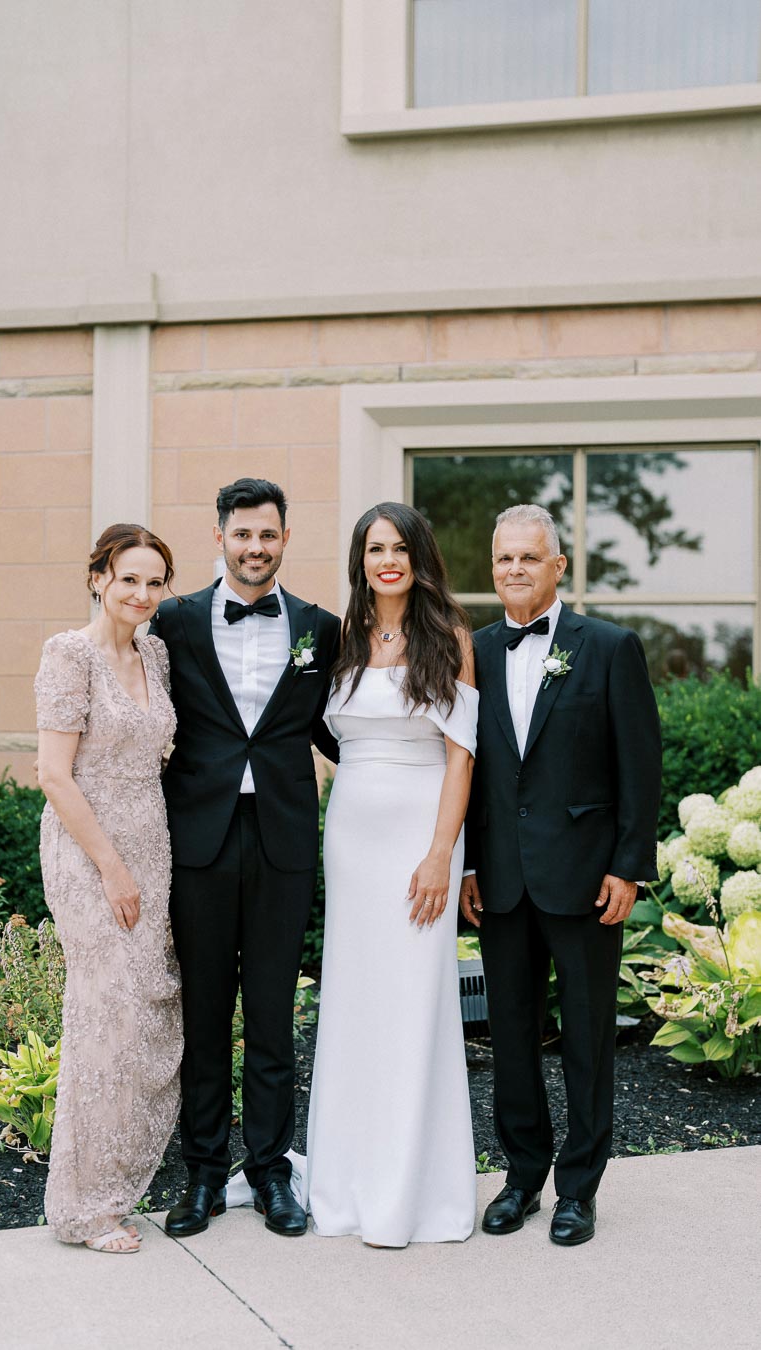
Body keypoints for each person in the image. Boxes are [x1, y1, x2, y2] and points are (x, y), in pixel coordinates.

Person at [460, 503, 661, 1247]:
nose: (514, 569)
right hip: (502, 882)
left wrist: (628, 867)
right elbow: (470, 770)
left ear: (558, 567)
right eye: (503, 558)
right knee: (509, 1035)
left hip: (585, 880)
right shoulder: (471, 651)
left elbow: (639, 767)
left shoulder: (609, 647)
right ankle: (522, 1178)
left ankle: (579, 1188)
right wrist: (472, 863)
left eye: (528, 558)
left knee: (585, 1035)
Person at [151, 478, 341, 1239]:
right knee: (203, 1013)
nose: (255, 548)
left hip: (283, 839)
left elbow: (339, 727)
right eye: (242, 535)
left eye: (268, 536)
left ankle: (269, 1172)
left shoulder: (320, 629)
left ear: (285, 539)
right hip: (198, 836)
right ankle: (201, 1172)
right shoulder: (174, 620)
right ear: (220, 537)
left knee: (271, 1012)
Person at [306, 502, 479, 1247]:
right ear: (361, 559)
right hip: (350, 834)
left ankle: (414, 1190)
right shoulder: (341, 639)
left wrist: (441, 851)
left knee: (414, 999)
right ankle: (345, 1183)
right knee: (356, 996)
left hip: (421, 833)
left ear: (419, 558)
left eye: (401, 548)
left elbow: (461, 754)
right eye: (376, 548)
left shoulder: (450, 637)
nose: (389, 560)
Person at [35, 523, 182, 1254]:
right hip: (90, 852)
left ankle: (117, 1185)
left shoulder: (153, 651)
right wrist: (111, 867)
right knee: (105, 1014)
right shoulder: (70, 655)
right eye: (129, 578)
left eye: (156, 581)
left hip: (151, 844)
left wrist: (140, 862)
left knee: (141, 1017)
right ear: (99, 577)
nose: (143, 593)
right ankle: (85, 1209)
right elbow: (55, 775)